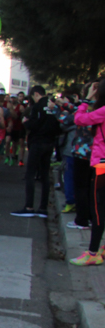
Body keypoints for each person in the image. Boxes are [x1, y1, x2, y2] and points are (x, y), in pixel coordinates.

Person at [70, 79, 105, 265]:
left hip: (102, 165)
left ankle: (93, 253)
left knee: (98, 209)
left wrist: (86, 99)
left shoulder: (103, 111)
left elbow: (79, 119)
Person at [13, 85, 61, 218]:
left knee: (31, 174)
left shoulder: (38, 106)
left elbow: (35, 124)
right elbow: (59, 126)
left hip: (37, 142)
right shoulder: (54, 106)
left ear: (35, 94)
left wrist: (26, 122)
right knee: (44, 175)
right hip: (49, 143)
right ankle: (43, 208)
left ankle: (29, 206)